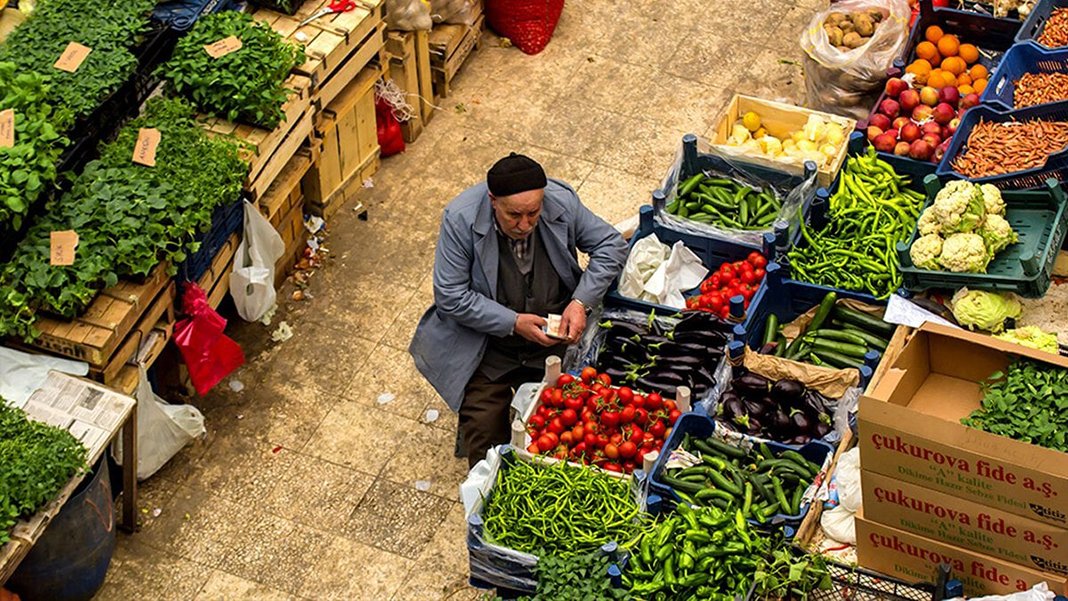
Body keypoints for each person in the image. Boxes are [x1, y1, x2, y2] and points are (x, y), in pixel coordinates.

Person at [409, 153, 628, 468]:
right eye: (514, 215)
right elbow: (450, 295)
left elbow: (610, 245)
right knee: (485, 432)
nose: (524, 224)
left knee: (572, 423)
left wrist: (580, 302)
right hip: (488, 347)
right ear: (492, 200)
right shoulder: (461, 219)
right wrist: (512, 322)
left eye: (533, 213)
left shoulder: (560, 203)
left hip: (553, 340)